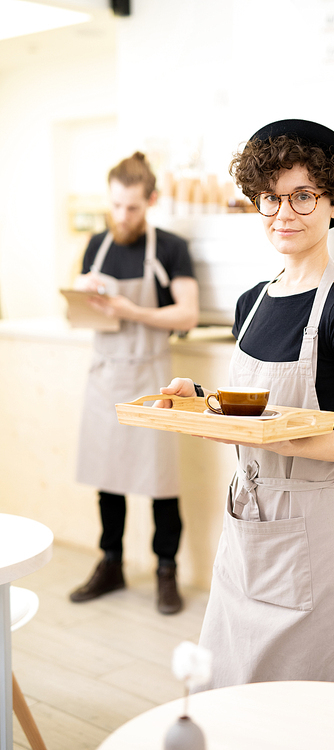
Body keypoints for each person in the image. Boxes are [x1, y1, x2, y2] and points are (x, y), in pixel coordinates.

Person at [156, 119, 334, 684]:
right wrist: (204, 399)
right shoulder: (251, 302)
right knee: (230, 680)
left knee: (304, 701)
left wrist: (283, 438)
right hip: (247, 521)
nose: (283, 213)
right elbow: (262, 404)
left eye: (302, 196)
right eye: (269, 198)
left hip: (310, 530)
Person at [69, 152, 199, 614]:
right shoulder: (96, 244)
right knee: (108, 477)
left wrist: (132, 311)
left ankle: (166, 571)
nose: (122, 216)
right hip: (105, 373)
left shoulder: (171, 248)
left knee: (160, 480)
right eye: (116, 206)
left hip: (150, 374)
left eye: (132, 208)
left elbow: (187, 313)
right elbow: (85, 315)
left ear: (152, 201)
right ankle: (111, 564)